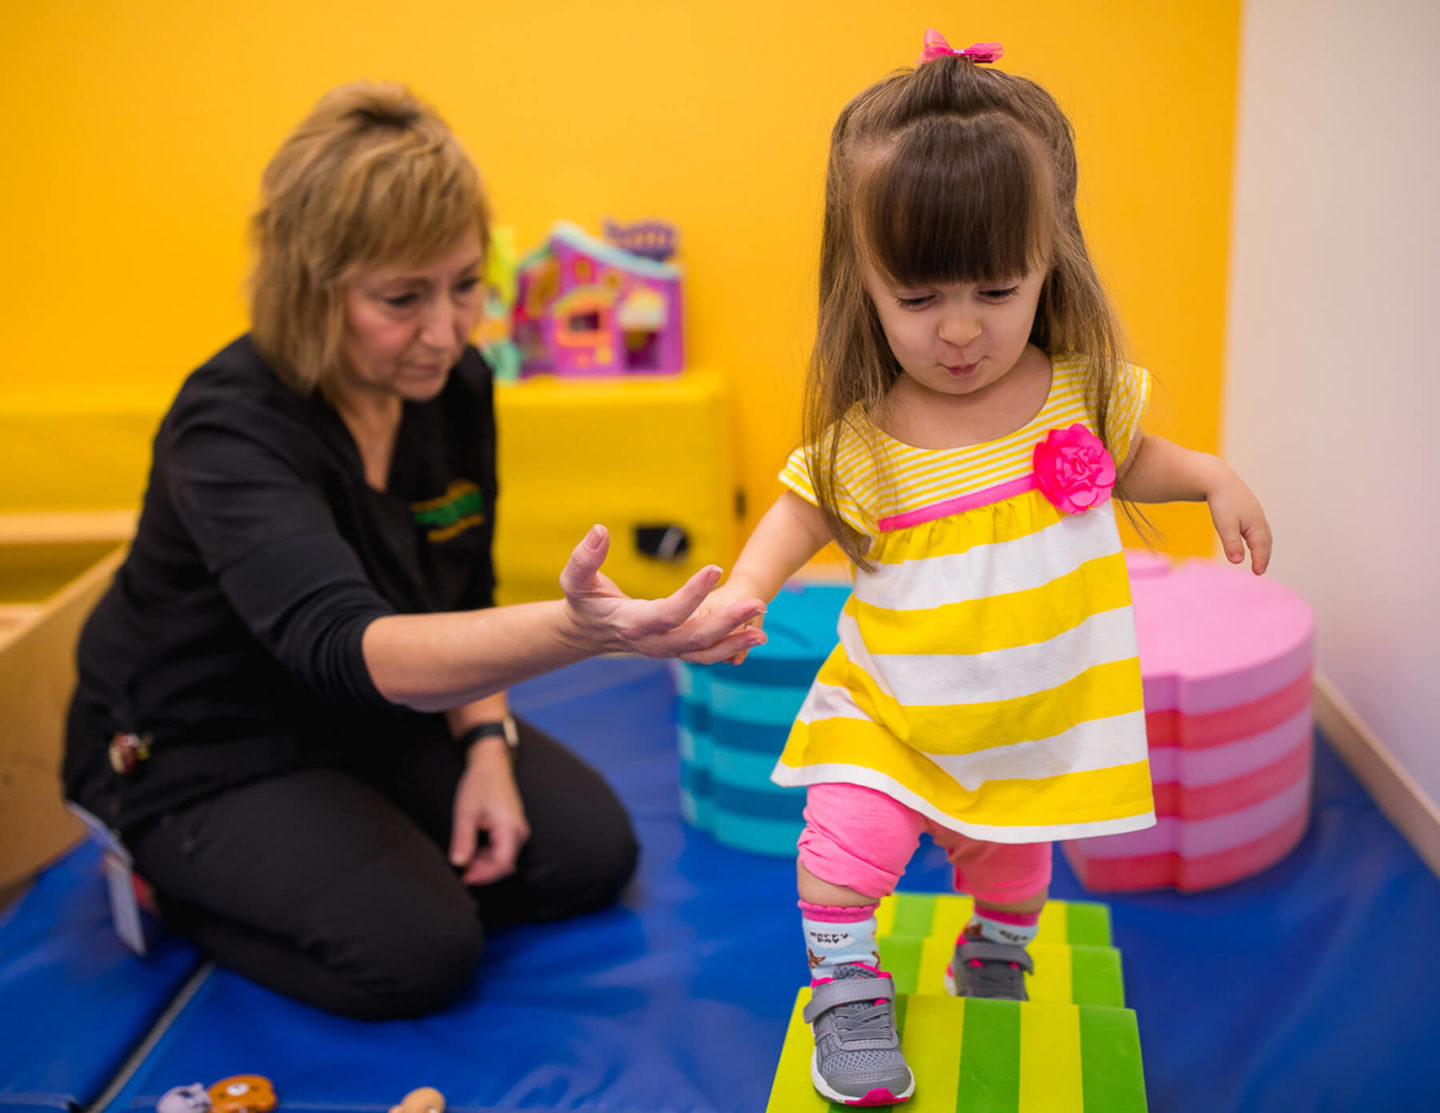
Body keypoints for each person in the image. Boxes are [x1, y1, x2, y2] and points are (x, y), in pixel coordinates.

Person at [61, 81, 765, 1021]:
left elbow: (455, 589)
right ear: (311, 291)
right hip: (202, 745)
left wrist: (483, 745)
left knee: (590, 855)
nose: (446, 331)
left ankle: (353, 839)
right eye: (402, 298)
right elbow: (356, 647)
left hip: (366, 717)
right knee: (419, 952)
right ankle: (166, 873)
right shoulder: (227, 430)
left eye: (465, 284)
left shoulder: (456, 384)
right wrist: (586, 630)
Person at [699, 31, 1272, 1105]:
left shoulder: (1079, 394)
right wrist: (743, 593)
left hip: (1027, 720)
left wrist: (1214, 479)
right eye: (916, 301)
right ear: (862, 286)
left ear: (1049, 265)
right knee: (839, 851)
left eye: (995, 291)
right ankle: (847, 986)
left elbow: (1141, 460)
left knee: (1014, 867)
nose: (959, 331)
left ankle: (995, 952)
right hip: (893, 713)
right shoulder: (868, 438)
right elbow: (798, 511)